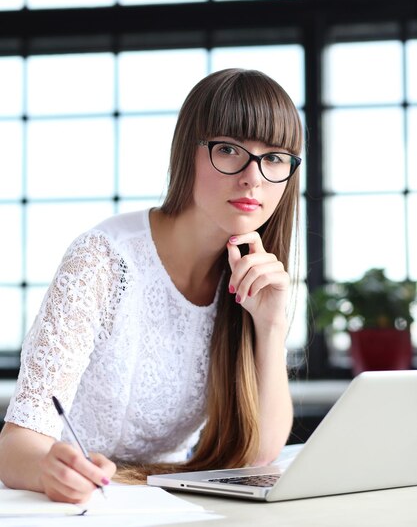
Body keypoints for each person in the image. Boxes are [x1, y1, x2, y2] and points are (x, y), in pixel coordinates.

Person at [0, 67, 302, 504]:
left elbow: (259, 454)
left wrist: (270, 326)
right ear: (188, 152)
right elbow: (13, 448)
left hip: (160, 502)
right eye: (229, 149)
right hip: (62, 505)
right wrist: (51, 469)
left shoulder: (247, 278)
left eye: (274, 158)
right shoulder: (103, 259)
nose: (253, 176)